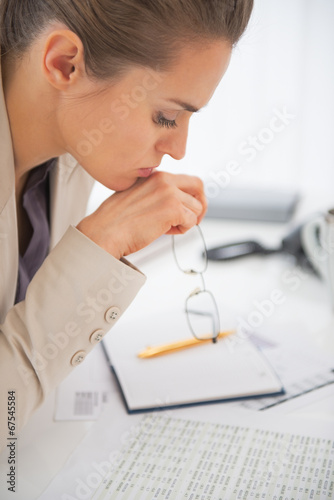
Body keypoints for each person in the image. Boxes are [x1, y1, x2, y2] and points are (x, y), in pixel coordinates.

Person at [0, 0, 253, 450]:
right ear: (65, 63)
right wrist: (98, 246)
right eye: (166, 117)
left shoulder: (71, 150)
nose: (179, 149)